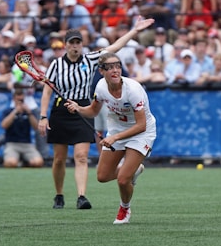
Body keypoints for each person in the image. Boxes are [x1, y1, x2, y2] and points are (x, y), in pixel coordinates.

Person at [38, 17, 154, 210]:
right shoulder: (56, 65)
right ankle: (59, 194)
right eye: (72, 43)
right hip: (61, 109)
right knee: (59, 158)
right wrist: (43, 116)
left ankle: (81, 196)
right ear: (65, 45)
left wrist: (134, 31)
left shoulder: (90, 59)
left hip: (83, 107)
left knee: (81, 156)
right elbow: (47, 90)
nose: (75, 46)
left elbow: (115, 47)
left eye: (78, 43)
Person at [65, 52, 155, 224]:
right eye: (109, 67)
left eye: (118, 66)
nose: (115, 70)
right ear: (101, 71)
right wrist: (78, 108)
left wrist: (115, 138)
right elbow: (93, 111)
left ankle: (124, 209)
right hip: (117, 129)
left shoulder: (133, 90)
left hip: (142, 132)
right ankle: (134, 170)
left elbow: (141, 125)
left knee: (122, 180)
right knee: (102, 176)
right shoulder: (100, 87)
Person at [1, 89, 44, 169]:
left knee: (38, 162)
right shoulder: (8, 111)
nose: (20, 102)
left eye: (22, 100)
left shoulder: (28, 112)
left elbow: (36, 127)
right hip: (12, 143)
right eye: (19, 100)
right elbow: (4, 125)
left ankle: (25, 161)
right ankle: (19, 161)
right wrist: (15, 112)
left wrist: (29, 113)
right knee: (11, 163)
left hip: (27, 144)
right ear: (14, 99)